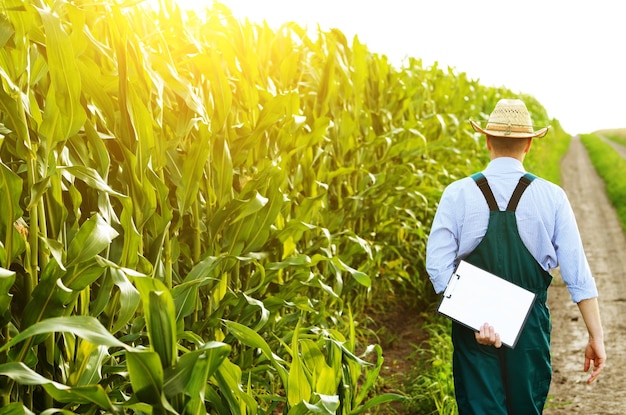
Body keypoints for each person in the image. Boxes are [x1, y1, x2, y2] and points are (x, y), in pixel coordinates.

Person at [425, 98, 606, 414]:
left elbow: (438, 267)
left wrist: (476, 313)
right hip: (529, 328)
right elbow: (578, 274)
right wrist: (596, 336)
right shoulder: (552, 197)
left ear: (486, 141)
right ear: (529, 145)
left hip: (473, 329)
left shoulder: (457, 193)